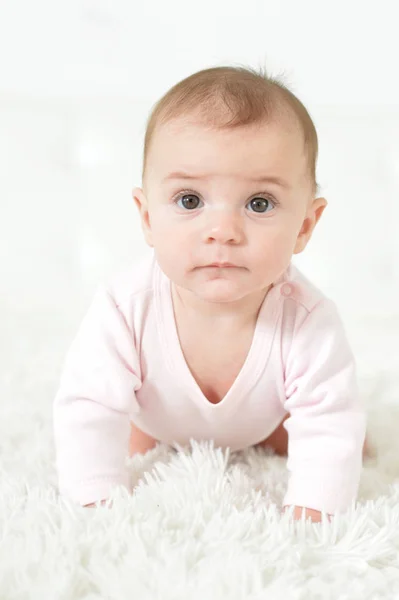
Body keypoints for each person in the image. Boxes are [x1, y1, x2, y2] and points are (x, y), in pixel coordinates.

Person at [53, 65, 367, 522]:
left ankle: (268, 436)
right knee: (125, 438)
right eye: (190, 200)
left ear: (304, 226)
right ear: (146, 217)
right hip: (156, 422)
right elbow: (89, 405)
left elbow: (330, 419)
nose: (222, 231)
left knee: (339, 439)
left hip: (262, 420)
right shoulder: (124, 309)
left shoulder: (307, 320)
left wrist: (314, 509)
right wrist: (93, 496)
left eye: (259, 203)